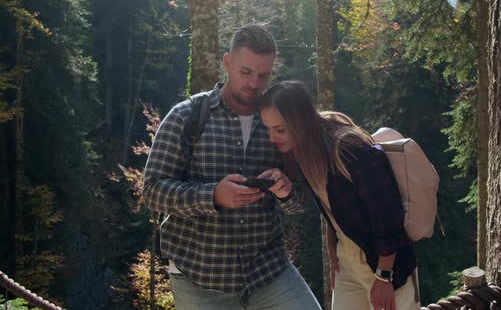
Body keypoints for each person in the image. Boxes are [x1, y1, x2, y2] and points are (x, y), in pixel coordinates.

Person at [143, 26, 321, 310]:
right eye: (246, 72)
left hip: (268, 271)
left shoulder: (281, 120)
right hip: (199, 276)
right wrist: (213, 195)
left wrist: (286, 192)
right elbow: (152, 191)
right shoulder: (186, 116)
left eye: (264, 75)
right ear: (227, 63)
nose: (254, 84)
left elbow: (301, 203)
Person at [260, 81, 421, 310]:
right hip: (347, 262)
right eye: (268, 128)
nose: (273, 137)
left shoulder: (348, 148)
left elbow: (387, 215)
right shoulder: (303, 151)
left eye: (280, 129)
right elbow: (328, 206)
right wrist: (333, 253)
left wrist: (384, 277)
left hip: (385, 262)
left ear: (301, 122)